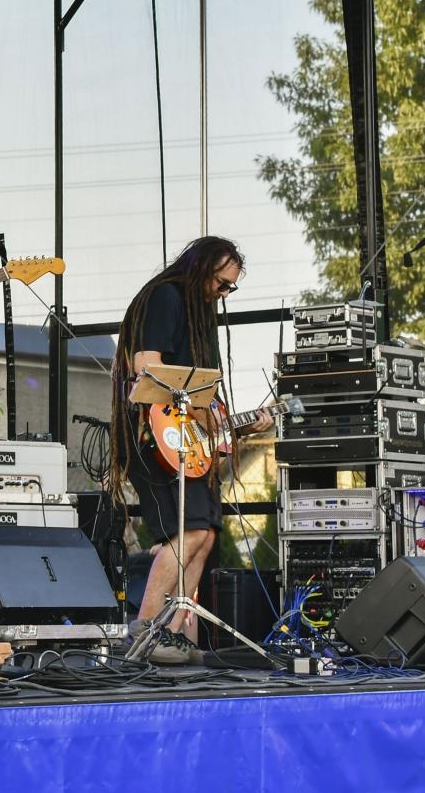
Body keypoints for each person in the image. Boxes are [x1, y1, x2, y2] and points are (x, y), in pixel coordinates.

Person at [108, 236, 272, 665]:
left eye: (231, 286)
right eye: (221, 282)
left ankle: (175, 634)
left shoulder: (201, 314)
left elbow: (205, 398)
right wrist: (197, 411)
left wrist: (237, 423)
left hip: (186, 438)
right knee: (190, 532)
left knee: (206, 534)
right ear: (200, 268)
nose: (224, 292)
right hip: (155, 434)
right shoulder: (165, 296)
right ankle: (146, 631)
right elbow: (147, 367)